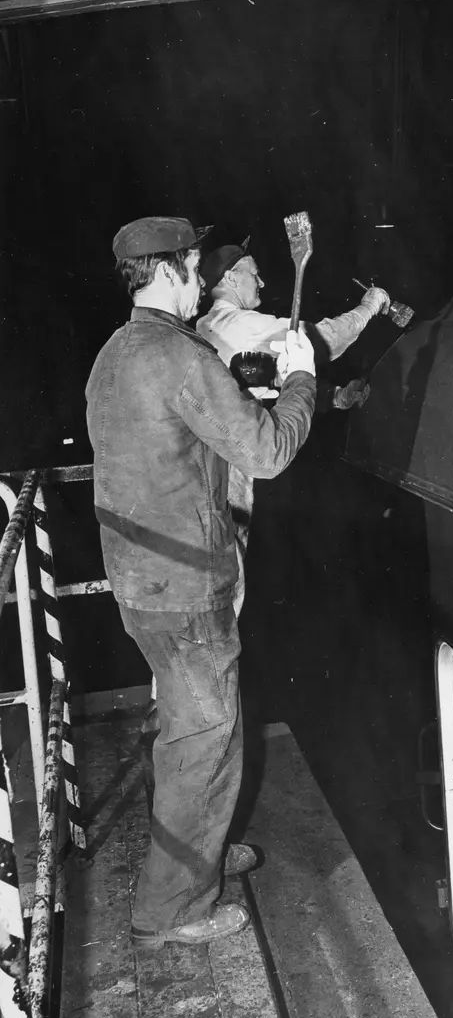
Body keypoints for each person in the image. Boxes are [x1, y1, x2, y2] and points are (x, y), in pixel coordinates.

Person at [86, 216, 317, 950]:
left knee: (202, 727)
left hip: (139, 580)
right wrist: (302, 377)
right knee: (202, 740)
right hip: (187, 587)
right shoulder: (180, 357)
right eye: (193, 264)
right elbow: (269, 452)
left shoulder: (114, 354)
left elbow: (173, 444)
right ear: (171, 269)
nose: (201, 279)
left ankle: (201, 855)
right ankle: (171, 910)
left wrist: (238, 395)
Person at [194, 239, 391, 618]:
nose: (262, 283)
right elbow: (319, 341)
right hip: (229, 469)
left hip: (215, 464)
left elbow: (268, 378)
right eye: (254, 275)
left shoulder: (210, 328)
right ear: (231, 278)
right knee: (225, 584)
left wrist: (334, 396)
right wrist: (370, 306)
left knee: (222, 575)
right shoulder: (237, 323)